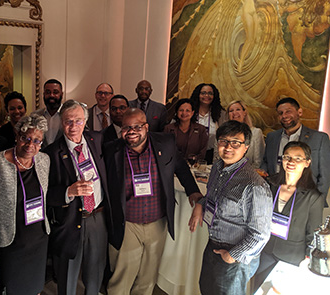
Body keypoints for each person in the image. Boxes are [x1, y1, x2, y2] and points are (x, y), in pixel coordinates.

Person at [104, 108, 202, 295]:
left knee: (148, 279)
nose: (131, 131)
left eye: (137, 126)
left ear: (146, 127)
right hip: (127, 224)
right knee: (121, 279)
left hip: (158, 222)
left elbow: (181, 168)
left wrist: (193, 192)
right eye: (126, 127)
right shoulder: (111, 150)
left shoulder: (165, 144)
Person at [189, 120, 273, 295]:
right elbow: (213, 199)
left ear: (246, 147)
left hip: (234, 257)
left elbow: (261, 234)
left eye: (235, 142)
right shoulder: (218, 169)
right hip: (213, 246)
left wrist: (233, 255)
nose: (228, 147)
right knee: (206, 290)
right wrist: (200, 204)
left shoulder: (254, 185)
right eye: (223, 141)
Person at [0, 113, 50, 295]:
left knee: (35, 289)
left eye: (37, 141)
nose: (31, 145)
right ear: (17, 136)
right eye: (26, 138)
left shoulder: (43, 160)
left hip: (38, 239)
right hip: (9, 243)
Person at [44, 99, 112, 295]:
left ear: (86, 121)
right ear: (61, 121)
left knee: (96, 271)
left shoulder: (97, 140)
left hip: (98, 217)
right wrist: (68, 192)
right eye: (68, 121)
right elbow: (44, 194)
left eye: (78, 121)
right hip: (69, 220)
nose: (73, 126)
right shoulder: (50, 154)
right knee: (67, 275)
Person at [251, 141, 324, 292]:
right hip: (264, 251)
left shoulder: (313, 196)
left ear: (307, 163)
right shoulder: (269, 184)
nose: (291, 162)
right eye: (287, 157)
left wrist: (308, 259)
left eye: (298, 158)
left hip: (292, 257)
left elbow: (313, 233)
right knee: (258, 290)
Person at [261, 97, 330, 199]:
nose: (284, 116)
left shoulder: (319, 138)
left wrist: (319, 200)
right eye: (280, 113)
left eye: (288, 111)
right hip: (274, 194)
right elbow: (266, 162)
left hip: (305, 196)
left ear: (299, 112)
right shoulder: (272, 137)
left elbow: (325, 173)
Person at [190, 83, 227, 164]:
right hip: (190, 153)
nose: (207, 96)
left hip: (211, 154)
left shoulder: (221, 114)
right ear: (198, 95)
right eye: (203, 93)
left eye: (210, 93)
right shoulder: (189, 111)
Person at [226, 100, 265, 168]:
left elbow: (258, 162)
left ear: (244, 113)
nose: (234, 113)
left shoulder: (256, 133)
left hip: (249, 175)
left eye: (238, 109)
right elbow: (217, 158)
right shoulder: (223, 133)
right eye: (231, 111)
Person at [34, 79, 64, 147]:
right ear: (43, 94)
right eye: (48, 92)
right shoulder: (35, 116)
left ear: (61, 95)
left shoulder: (68, 116)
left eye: (55, 92)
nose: (51, 95)